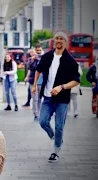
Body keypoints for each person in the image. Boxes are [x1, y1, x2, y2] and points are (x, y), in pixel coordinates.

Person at [32, 32, 80, 162]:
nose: (59, 40)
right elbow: (38, 70)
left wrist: (61, 87)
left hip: (62, 100)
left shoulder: (70, 61)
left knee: (59, 126)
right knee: (42, 122)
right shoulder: (47, 56)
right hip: (47, 98)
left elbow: (76, 81)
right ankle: (53, 136)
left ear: (65, 42)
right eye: (57, 38)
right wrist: (35, 85)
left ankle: (56, 150)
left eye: (61, 39)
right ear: (54, 41)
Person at [25, 45, 43, 120]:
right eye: (37, 51)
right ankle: (36, 113)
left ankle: (38, 111)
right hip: (33, 81)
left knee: (39, 98)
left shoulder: (44, 58)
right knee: (35, 98)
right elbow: (29, 68)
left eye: (40, 51)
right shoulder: (31, 59)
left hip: (42, 82)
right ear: (35, 51)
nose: (38, 52)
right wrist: (32, 60)